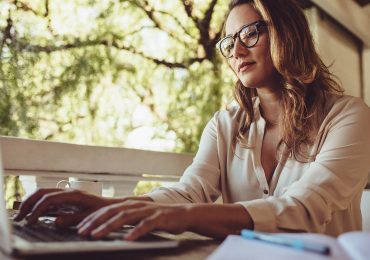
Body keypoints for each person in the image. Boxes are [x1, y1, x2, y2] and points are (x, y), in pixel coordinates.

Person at [15, 0, 370, 241]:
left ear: (286, 33)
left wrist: (185, 216)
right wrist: (110, 206)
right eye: (229, 42)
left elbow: (305, 209)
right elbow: (188, 192)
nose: (237, 51)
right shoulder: (224, 126)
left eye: (250, 33)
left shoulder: (349, 116)